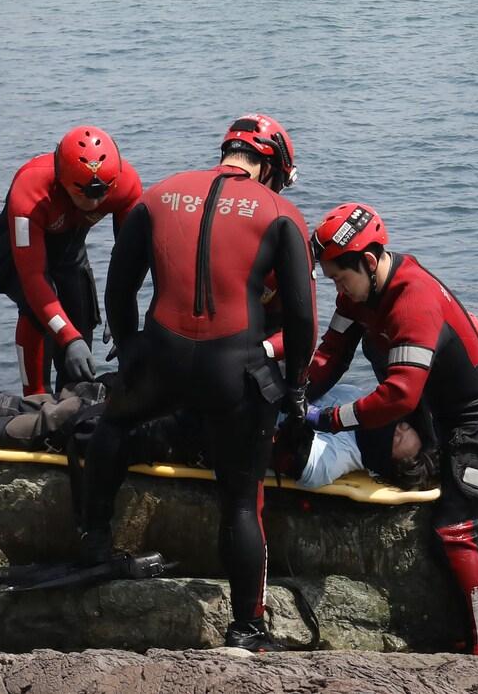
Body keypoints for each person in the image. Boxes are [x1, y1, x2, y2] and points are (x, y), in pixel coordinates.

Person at [83, 113, 317, 652]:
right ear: (272, 165)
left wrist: (131, 347)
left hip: (162, 358)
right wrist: (297, 386)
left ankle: (94, 539)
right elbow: (303, 320)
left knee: (115, 423)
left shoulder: (161, 194)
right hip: (233, 370)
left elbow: (119, 284)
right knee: (240, 499)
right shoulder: (281, 212)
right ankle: (247, 629)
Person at [305, 203, 478, 655]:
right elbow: (332, 354)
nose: (339, 289)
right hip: (431, 417)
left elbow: (398, 396)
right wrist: (297, 396)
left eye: (342, 278)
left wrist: (331, 418)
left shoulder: (412, 298)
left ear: (370, 261)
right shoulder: (357, 295)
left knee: (452, 530)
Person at [0, 360, 436, 492]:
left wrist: (288, 417)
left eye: (402, 438)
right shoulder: (357, 415)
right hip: (213, 408)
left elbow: (297, 465)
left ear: (393, 460)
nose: (400, 427)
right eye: (404, 425)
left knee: (83, 421)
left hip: (201, 438)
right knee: (105, 386)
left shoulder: (342, 457)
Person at [0, 126, 143, 397]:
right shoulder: (31, 190)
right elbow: (33, 278)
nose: (93, 203)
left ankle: (72, 404)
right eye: (82, 194)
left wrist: (121, 314)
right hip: (13, 254)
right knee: (42, 313)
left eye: (101, 194)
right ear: (62, 181)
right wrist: (67, 338)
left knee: (81, 320)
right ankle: (35, 398)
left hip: (69, 250)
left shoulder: (126, 185)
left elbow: (131, 260)